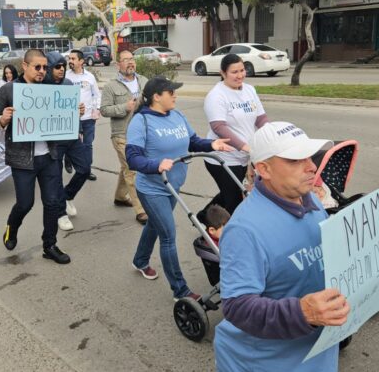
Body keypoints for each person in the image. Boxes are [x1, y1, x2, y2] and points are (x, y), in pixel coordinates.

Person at [214, 121, 379, 372]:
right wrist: (301, 312)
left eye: (309, 157)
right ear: (264, 169)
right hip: (264, 361)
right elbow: (237, 307)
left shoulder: (310, 199)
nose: (311, 167)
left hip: (318, 349)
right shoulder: (244, 231)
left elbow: (326, 249)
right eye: (295, 160)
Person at [126, 76, 234, 300]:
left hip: (173, 185)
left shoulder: (177, 115)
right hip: (153, 188)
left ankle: (139, 261)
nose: (175, 95)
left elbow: (192, 141)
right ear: (157, 97)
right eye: (171, 92)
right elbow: (133, 158)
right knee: (168, 235)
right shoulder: (141, 122)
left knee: (156, 226)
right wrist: (156, 164)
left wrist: (212, 144)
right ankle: (180, 290)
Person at [0, 49, 73, 265]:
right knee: (25, 203)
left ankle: (49, 245)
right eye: (38, 67)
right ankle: (12, 226)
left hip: (50, 157)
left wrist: (73, 112)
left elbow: (62, 118)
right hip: (22, 159)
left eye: (45, 67)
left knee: (52, 203)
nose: (43, 71)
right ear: (25, 66)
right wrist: (2, 119)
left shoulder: (53, 90)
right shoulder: (9, 90)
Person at [197, 53, 269, 226]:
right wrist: (244, 146)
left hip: (245, 156)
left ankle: (202, 217)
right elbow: (219, 127)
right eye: (234, 72)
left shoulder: (249, 90)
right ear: (223, 73)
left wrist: (272, 133)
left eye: (242, 70)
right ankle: (231, 234)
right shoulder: (217, 96)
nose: (240, 75)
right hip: (223, 158)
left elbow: (260, 119)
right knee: (234, 200)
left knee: (228, 192)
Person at [99, 50, 148, 224]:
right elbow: (104, 110)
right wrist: (123, 107)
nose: (130, 62)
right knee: (132, 169)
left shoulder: (143, 81)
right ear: (118, 64)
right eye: (125, 60)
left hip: (141, 133)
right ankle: (141, 210)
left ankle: (120, 197)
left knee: (125, 166)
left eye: (132, 59)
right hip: (121, 134)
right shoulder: (111, 86)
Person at [44, 51, 86, 232]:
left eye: (63, 66)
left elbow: (75, 110)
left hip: (71, 136)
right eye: (57, 67)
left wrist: (79, 127)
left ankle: (68, 195)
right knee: (55, 177)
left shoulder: (68, 84)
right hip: (52, 141)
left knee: (85, 169)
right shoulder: (40, 87)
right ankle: (61, 213)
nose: (61, 70)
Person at [66, 49, 100, 182]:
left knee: (87, 144)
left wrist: (97, 109)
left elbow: (97, 95)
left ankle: (87, 170)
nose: (70, 61)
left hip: (88, 118)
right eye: (69, 58)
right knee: (70, 143)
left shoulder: (90, 77)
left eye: (73, 59)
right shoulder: (66, 76)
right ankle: (67, 160)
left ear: (81, 61)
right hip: (71, 118)